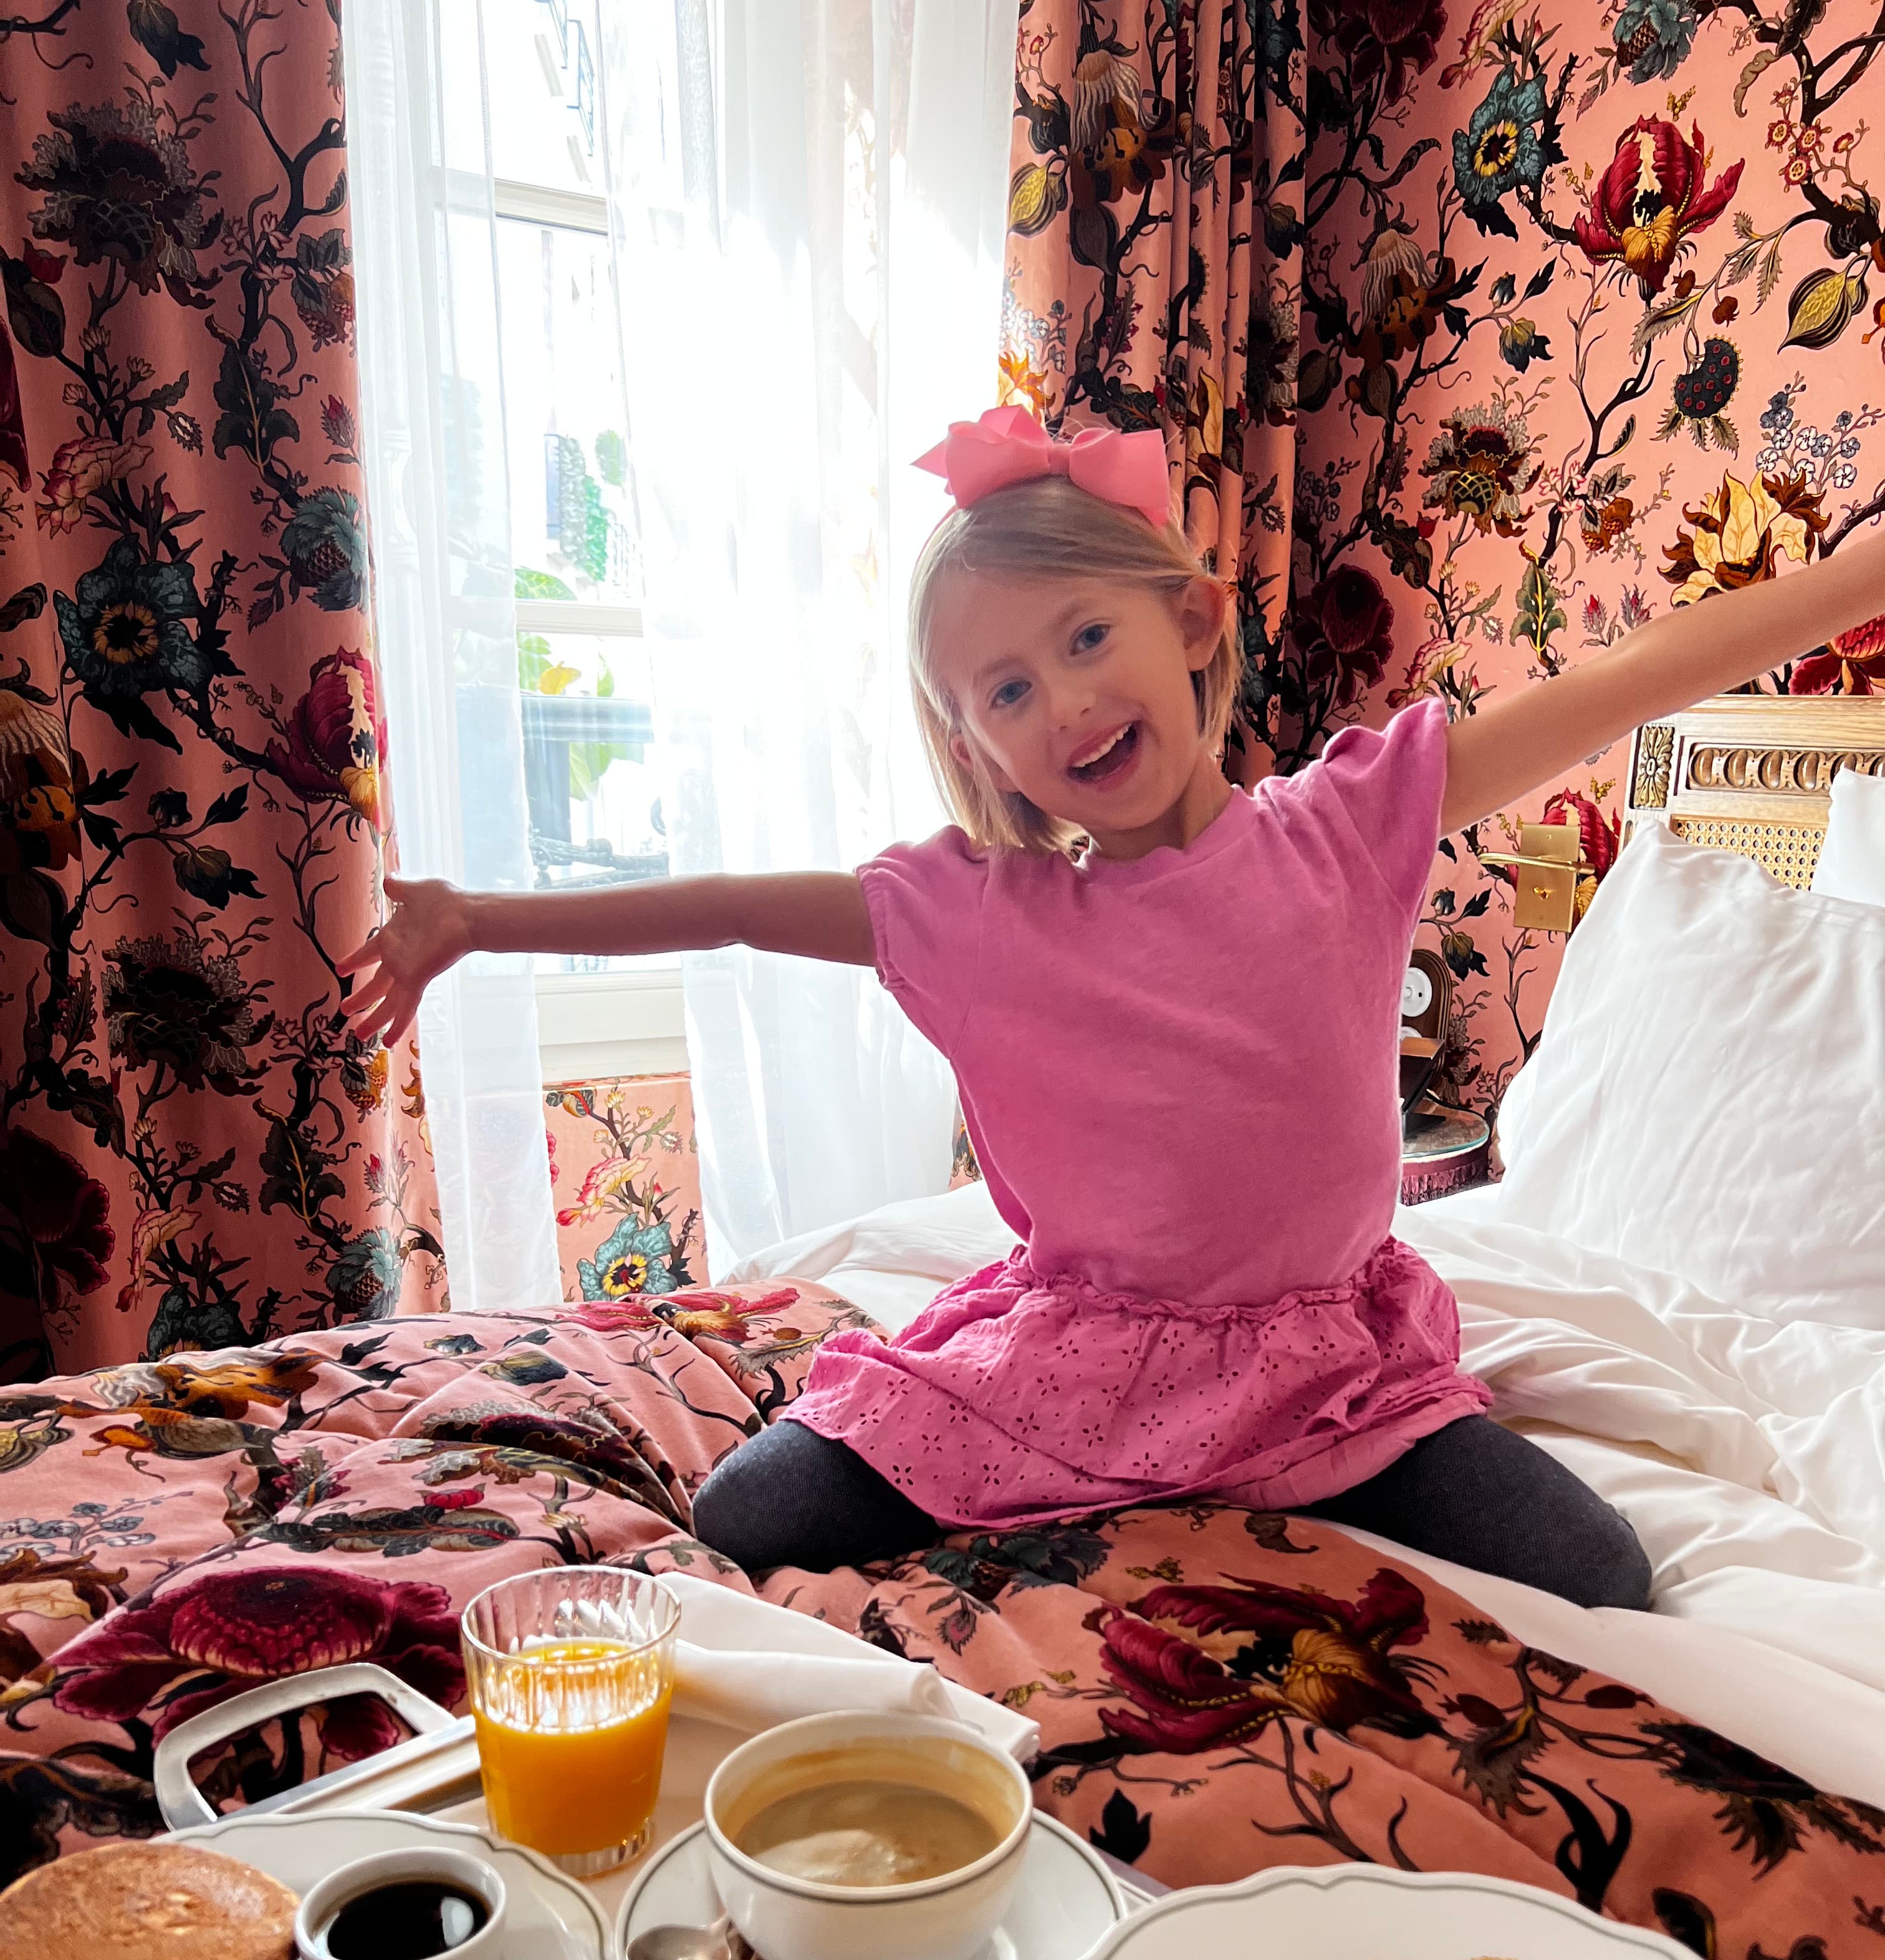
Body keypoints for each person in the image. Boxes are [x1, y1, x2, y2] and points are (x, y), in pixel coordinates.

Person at [343, 405, 1885, 1608]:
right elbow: (743, 908)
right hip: (1096, 1352)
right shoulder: (980, 915)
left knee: (1604, 1575)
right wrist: (481, 921)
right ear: (981, 753)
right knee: (752, 1514)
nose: (1065, 700)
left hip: (1328, 1372)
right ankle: (1132, 1481)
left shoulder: (1352, 827)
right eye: (1006, 692)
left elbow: (1634, 679)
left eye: (1086, 636)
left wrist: (1864, 575)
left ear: (1194, 622)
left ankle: (1232, 1490)